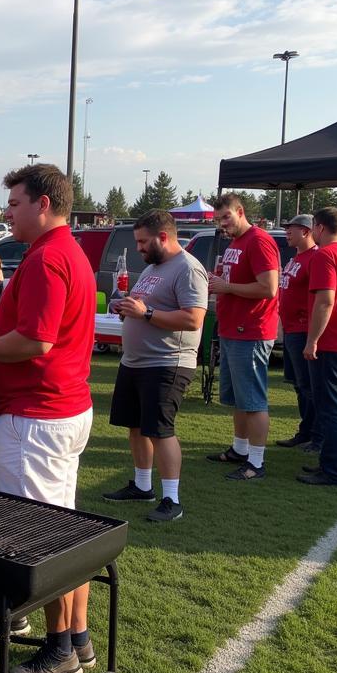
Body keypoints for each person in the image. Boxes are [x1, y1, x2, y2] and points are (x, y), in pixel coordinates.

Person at [0, 163, 96, 673]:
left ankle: (61, 650)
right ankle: (76, 636)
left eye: (14, 203)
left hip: (37, 415)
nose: (6, 212)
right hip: (60, 408)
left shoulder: (48, 259)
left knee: (44, 539)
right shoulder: (57, 252)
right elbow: (29, 326)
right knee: (69, 532)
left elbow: (36, 342)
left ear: (44, 204)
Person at [103, 210, 208, 522]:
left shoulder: (188, 269)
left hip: (167, 362)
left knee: (160, 431)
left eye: (143, 242)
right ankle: (142, 485)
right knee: (135, 426)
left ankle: (172, 499)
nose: (138, 248)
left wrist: (145, 313)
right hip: (135, 361)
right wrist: (127, 309)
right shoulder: (154, 266)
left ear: (163, 237)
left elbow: (193, 318)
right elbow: (144, 306)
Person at [205, 193, 279, 481]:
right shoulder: (236, 242)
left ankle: (256, 462)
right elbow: (232, 283)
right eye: (218, 220)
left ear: (240, 211)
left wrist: (227, 286)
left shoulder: (259, 240)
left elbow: (269, 288)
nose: (222, 224)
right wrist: (219, 283)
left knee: (253, 401)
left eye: (226, 217)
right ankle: (239, 449)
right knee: (239, 399)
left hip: (251, 330)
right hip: (233, 328)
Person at [298, 206, 337, 487]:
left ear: (319, 228)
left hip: (331, 343)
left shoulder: (325, 256)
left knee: (332, 408)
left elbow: (326, 301)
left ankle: (333, 470)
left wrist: (313, 340)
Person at [276, 214, 320, 451]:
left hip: (304, 330)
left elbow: (320, 298)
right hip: (291, 329)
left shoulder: (314, 258)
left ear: (306, 231)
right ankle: (306, 431)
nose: (287, 233)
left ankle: (317, 435)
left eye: (290, 229)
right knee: (298, 384)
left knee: (309, 386)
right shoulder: (296, 258)